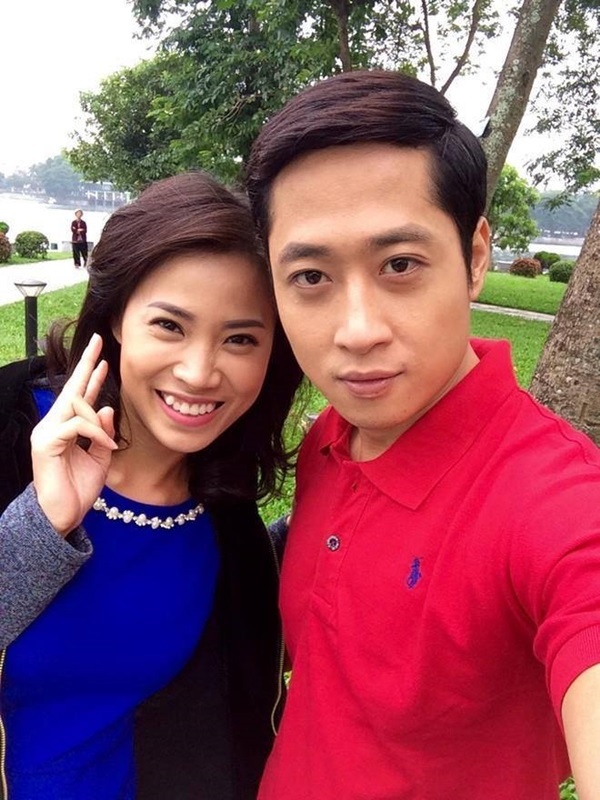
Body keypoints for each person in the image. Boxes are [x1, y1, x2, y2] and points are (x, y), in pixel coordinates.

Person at [245, 70, 600, 799]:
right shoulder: (331, 437)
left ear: (475, 257)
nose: (357, 332)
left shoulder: (554, 502)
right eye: (310, 277)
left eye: (400, 265)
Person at [0, 171, 303, 800]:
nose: (199, 372)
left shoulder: (228, 526)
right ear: (116, 315)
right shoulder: (10, 427)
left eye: (240, 338)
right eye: (170, 325)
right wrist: (41, 525)